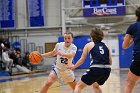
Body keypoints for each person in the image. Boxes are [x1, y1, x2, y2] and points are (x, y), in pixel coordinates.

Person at [68, 28, 112, 93]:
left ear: (92, 36)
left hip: (96, 69)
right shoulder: (106, 46)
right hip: (107, 71)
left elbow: (82, 60)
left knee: (78, 86)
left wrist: (73, 67)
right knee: (95, 86)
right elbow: (110, 62)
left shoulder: (89, 45)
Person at [122, 7, 140, 93]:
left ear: (136, 16)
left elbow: (124, 46)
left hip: (138, 59)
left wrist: (132, 40)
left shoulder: (132, 27)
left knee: (130, 83)